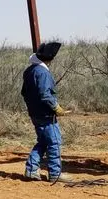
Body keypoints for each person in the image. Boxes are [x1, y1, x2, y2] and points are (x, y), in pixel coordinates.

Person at [21, 41, 71, 183]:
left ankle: (31, 169)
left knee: (43, 141)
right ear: (49, 59)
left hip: (35, 113)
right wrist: (56, 108)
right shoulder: (42, 72)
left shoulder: (29, 70)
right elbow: (45, 94)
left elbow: (24, 93)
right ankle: (55, 173)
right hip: (45, 114)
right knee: (54, 142)